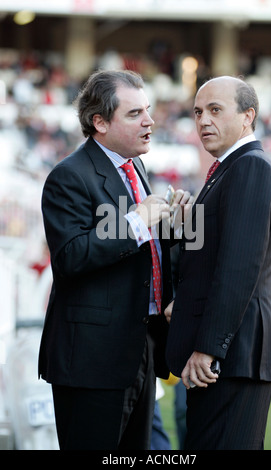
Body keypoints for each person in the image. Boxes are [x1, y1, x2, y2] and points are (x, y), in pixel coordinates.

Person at [38, 69, 191, 450]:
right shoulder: (68, 176)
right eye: (135, 113)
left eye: (149, 110)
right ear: (100, 122)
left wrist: (176, 226)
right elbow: (71, 257)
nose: (150, 121)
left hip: (140, 347)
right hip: (92, 358)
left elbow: (143, 252)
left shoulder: (135, 165)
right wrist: (138, 221)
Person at [165, 76, 271, 450]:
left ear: (248, 116)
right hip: (225, 357)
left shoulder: (250, 167)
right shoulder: (228, 169)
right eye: (198, 111)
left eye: (215, 110)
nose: (202, 120)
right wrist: (181, 227)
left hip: (231, 356)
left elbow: (238, 267)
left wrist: (209, 348)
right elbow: (205, 258)